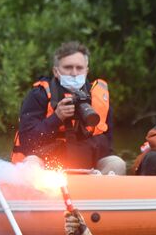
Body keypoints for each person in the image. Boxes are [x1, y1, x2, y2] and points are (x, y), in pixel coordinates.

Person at [11, 41, 126, 175]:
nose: (74, 73)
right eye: (68, 67)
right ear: (56, 71)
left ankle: (98, 193)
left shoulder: (98, 96)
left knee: (117, 163)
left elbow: (108, 146)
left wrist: (84, 135)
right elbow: (27, 141)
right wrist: (56, 118)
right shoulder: (39, 94)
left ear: (86, 71)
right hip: (48, 162)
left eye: (79, 68)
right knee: (31, 163)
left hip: (87, 162)